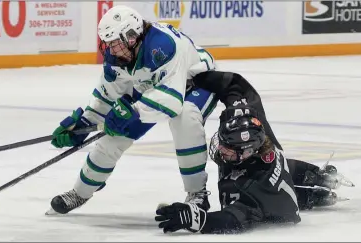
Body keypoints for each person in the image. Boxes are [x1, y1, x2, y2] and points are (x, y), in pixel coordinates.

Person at [46, 5, 219, 215]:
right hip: (152, 86)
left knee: (184, 118)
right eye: (107, 43)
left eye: (114, 43)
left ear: (131, 36)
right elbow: (107, 96)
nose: (110, 49)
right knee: (112, 138)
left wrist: (132, 112)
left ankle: (197, 194)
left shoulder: (163, 46)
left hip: (196, 83)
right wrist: (84, 124)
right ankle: (80, 193)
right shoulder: (119, 57)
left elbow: (171, 102)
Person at [154, 71, 355, 234]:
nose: (220, 148)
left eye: (228, 148)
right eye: (223, 142)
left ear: (246, 152)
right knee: (281, 171)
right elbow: (235, 86)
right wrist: (191, 77)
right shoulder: (250, 124)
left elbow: (234, 219)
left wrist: (197, 220)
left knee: (278, 195)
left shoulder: (256, 187)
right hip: (272, 180)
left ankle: (314, 193)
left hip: (274, 207)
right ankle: (319, 177)